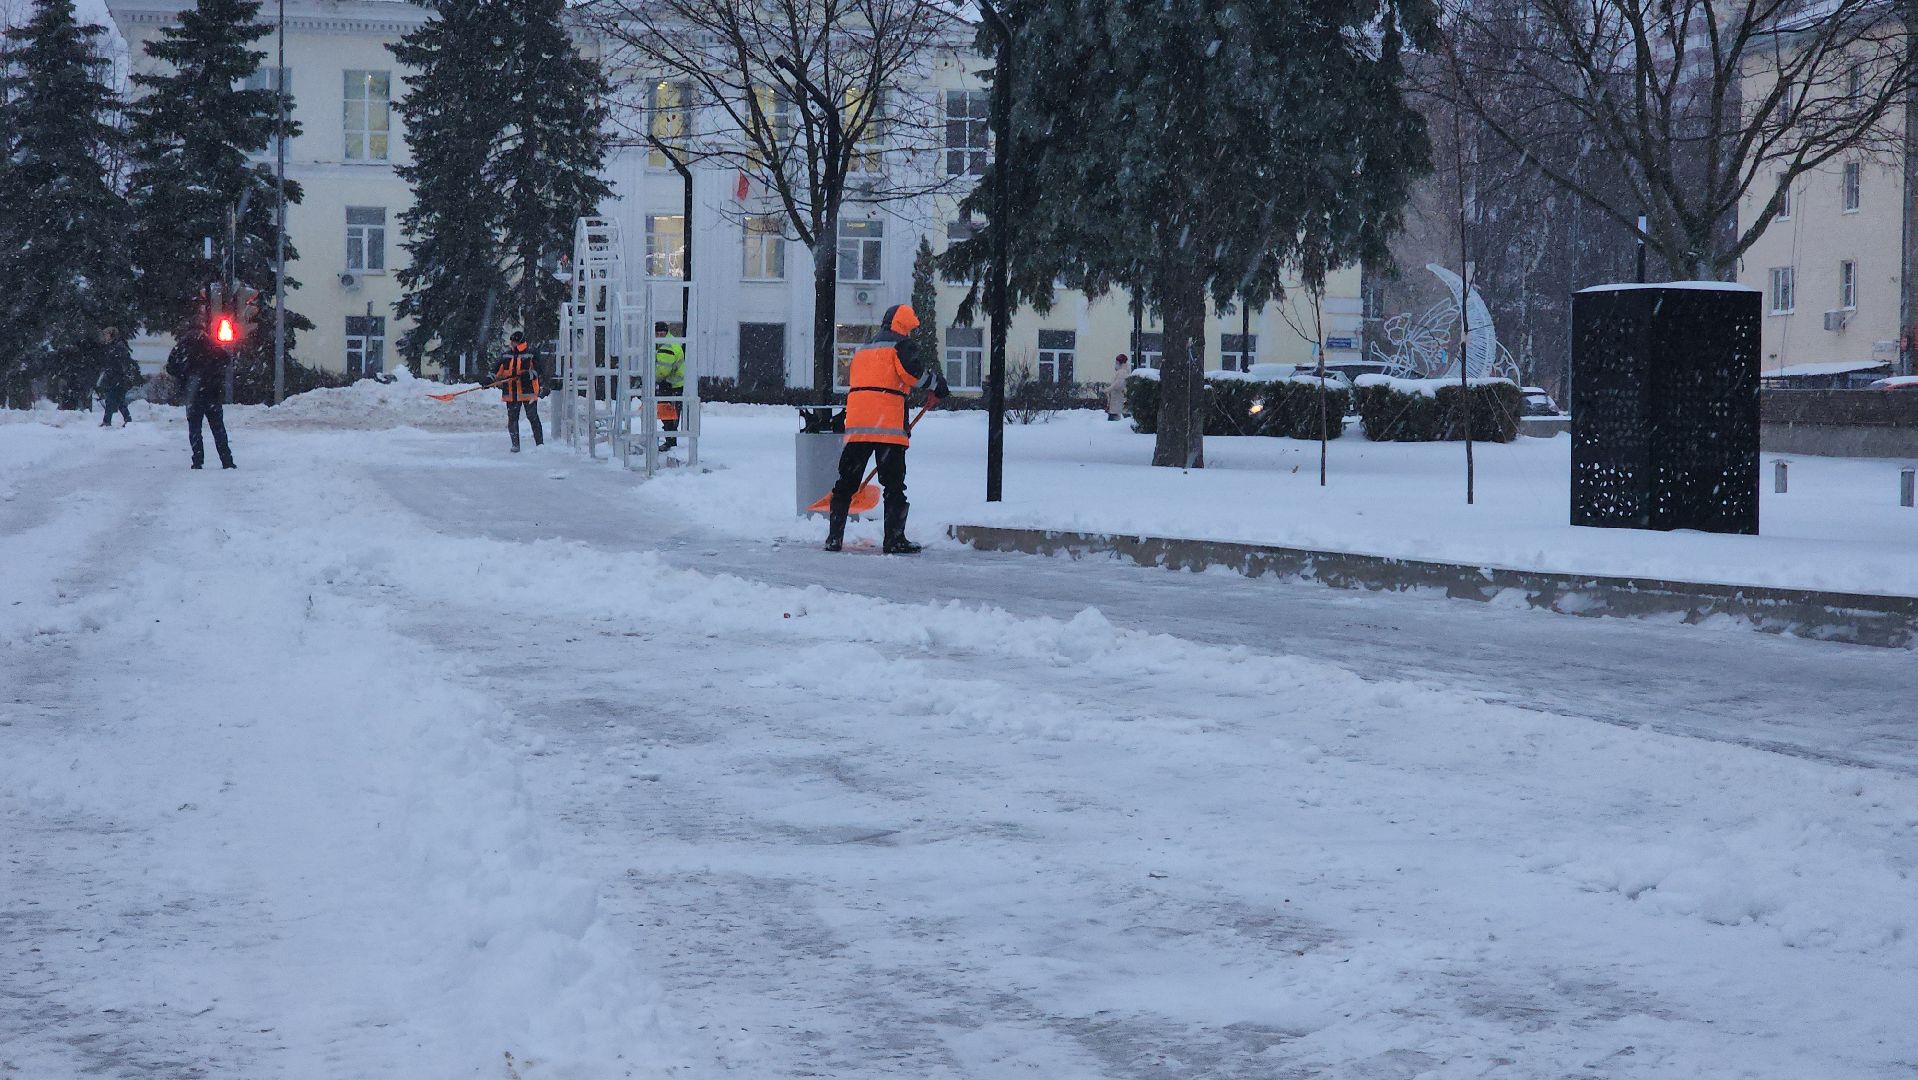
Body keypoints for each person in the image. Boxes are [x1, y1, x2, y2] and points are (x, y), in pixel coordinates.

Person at [825, 302, 947, 554]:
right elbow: (914, 375)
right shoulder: (901, 346)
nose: (910, 334)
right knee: (893, 485)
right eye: (909, 329)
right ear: (903, 325)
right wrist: (937, 384)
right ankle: (894, 539)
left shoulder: (864, 349)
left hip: (858, 424)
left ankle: (834, 537)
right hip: (886, 426)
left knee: (846, 482)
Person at [165, 314, 236, 470]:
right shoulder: (210, 343)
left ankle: (198, 460)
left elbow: (170, 367)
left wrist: (185, 376)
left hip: (193, 393)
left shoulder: (182, 345)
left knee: (195, 428)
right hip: (212, 393)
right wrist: (214, 374)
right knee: (218, 428)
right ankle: (226, 460)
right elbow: (225, 359)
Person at [482, 331, 542, 452]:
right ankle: (515, 445)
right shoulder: (506, 355)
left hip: (528, 392)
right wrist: (489, 380)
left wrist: (528, 375)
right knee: (512, 419)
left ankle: (540, 444)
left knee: (533, 417)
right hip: (511, 392)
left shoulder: (531, 354)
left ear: (520, 342)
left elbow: (538, 371)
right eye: (511, 341)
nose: (512, 343)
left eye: (514, 341)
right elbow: (496, 370)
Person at [94, 327, 137, 427]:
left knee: (111, 399)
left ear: (112, 335)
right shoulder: (111, 346)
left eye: (107, 334)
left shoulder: (118, 346)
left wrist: (116, 374)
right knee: (118, 401)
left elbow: (121, 364)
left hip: (117, 379)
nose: (105, 336)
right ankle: (127, 420)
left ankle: (107, 421)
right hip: (113, 378)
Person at [653, 321, 685, 451]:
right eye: (658, 333)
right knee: (672, 414)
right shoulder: (670, 342)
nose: (660, 335)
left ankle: (670, 441)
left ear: (666, 332)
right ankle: (671, 440)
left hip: (670, 385)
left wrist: (652, 379)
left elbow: (662, 371)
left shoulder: (667, 347)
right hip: (676, 384)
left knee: (667, 414)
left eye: (662, 333)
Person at [1106, 353, 1131, 421]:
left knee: (1114, 424)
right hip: (1117, 402)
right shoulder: (1122, 372)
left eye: (1116, 362)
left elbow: (1117, 385)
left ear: (1121, 363)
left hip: (1117, 403)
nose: (1115, 364)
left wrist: (1107, 390)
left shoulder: (1122, 372)